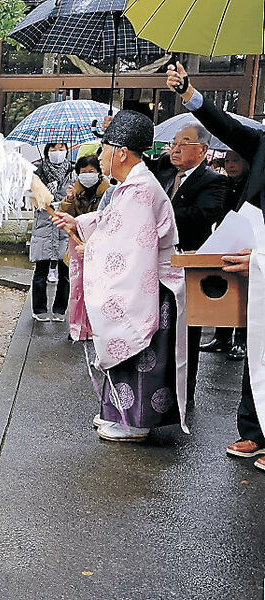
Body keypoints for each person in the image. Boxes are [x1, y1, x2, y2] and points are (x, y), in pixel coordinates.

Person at [51, 110, 188, 442]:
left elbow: (130, 248)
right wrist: (78, 224)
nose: (101, 156)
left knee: (139, 354)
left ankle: (135, 422)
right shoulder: (135, 185)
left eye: (105, 148)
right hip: (146, 282)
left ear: (122, 152)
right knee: (130, 355)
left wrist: (91, 251)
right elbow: (113, 225)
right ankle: (119, 415)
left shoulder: (139, 189)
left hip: (148, 286)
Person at [167, 61, 265, 467]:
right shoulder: (261, 141)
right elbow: (227, 127)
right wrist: (189, 93)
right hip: (253, 253)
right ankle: (254, 431)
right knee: (257, 340)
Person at [144, 123, 229, 407]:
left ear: (203, 150)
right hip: (154, 263)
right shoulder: (165, 171)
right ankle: (154, 387)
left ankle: (184, 392)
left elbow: (203, 214)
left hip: (187, 266)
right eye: (174, 142)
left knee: (185, 331)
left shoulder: (213, 181)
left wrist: (161, 212)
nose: (175, 148)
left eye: (184, 143)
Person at [201, 150, 249, 361]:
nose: (230, 165)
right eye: (227, 161)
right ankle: (222, 336)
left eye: (235, 160)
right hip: (224, 239)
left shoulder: (252, 185)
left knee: (242, 291)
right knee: (223, 287)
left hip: (247, 243)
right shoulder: (223, 183)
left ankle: (241, 338)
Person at [30, 142, 73, 322]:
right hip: (44, 226)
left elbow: (78, 198)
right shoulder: (37, 171)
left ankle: (60, 309)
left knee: (66, 271)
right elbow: (31, 198)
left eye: (61, 148)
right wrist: (43, 198)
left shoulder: (73, 171)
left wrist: (66, 201)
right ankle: (39, 309)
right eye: (53, 149)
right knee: (41, 270)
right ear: (47, 151)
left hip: (64, 226)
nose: (57, 152)